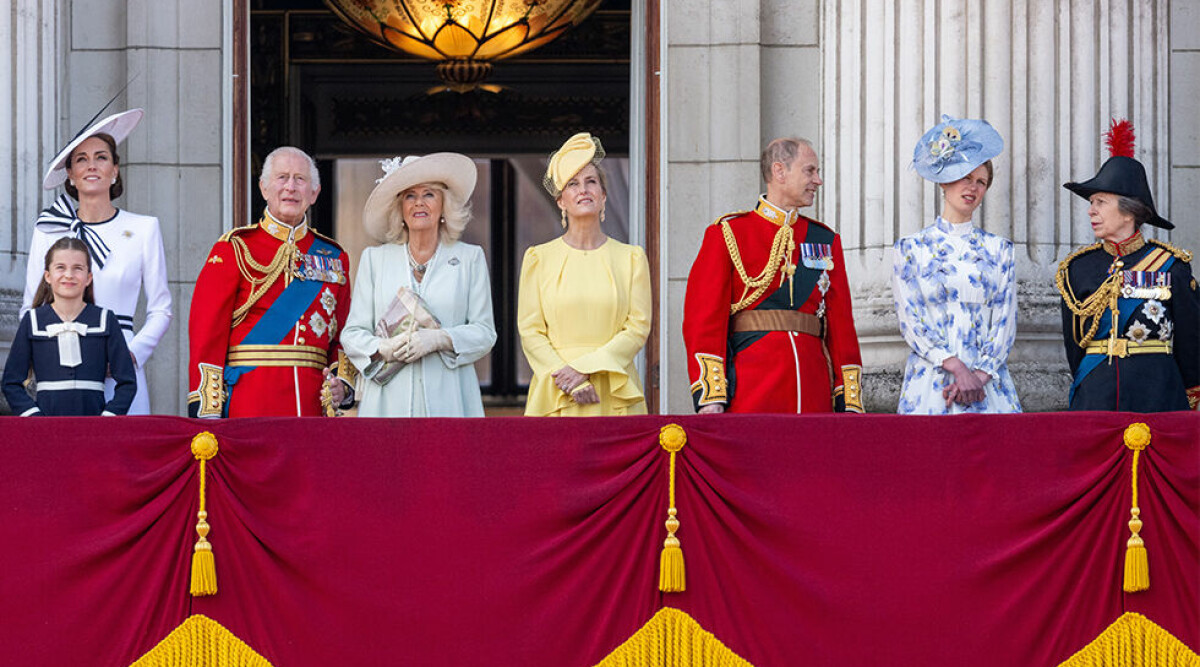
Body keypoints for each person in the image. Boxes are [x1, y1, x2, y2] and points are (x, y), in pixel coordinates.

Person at [683, 138, 863, 413]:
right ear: (779, 171)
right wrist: (712, 396)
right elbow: (704, 320)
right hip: (751, 390)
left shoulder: (824, 239)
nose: (818, 180)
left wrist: (848, 400)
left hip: (813, 390)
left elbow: (841, 327)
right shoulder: (729, 233)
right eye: (810, 171)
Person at [187, 146, 356, 417]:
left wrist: (342, 385)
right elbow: (207, 334)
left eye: (300, 179)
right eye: (282, 178)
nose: (291, 187)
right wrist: (208, 409)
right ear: (264, 188)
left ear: (314, 192)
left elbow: (345, 334)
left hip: (312, 406)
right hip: (249, 402)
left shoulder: (334, 256)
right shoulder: (235, 248)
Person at [23, 108, 171, 415]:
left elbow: (161, 309)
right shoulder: (49, 230)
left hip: (121, 365)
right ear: (71, 176)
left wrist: (129, 356)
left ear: (115, 169)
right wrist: (50, 357)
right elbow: (30, 308)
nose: (92, 166)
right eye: (81, 159)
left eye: (101, 157)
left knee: (124, 456)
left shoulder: (145, 228)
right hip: (62, 365)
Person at [1057, 120, 1199, 412]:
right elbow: (1075, 348)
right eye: (1092, 202)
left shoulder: (1171, 268)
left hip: (1158, 396)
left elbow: (1192, 342)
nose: (1091, 210)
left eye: (1100, 202)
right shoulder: (1077, 269)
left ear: (1129, 211)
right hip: (1096, 397)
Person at [341, 154, 496, 417]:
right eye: (409, 196)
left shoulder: (471, 258)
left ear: (444, 205)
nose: (419, 203)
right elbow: (352, 334)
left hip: (451, 402)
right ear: (399, 208)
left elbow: (485, 333)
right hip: (387, 404)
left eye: (429, 194)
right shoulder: (375, 259)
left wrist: (439, 339)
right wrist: (384, 348)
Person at [892, 116, 1022, 414]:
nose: (972, 188)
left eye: (981, 182)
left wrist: (979, 375)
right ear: (945, 180)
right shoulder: (911, 248)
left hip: (987, 385)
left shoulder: (1000, 249)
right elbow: (910, 319)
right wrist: (955, 367)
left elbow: (1005, 319)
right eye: (966, 177)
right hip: (931, 382)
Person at [517, 132, 652, 416]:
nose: (583, 190)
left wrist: (584, 369)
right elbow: (531, 332)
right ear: (560, 201)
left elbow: (638, 328)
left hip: (613, 387)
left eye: (591, 182)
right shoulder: (538, 259)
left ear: (603, 196)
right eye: (573, 184)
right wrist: (566, 377)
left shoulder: (631, 258)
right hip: (557, 390)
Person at [4, 238, 136, 416]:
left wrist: (107, 418)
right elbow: (11, 383)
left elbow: (127, 382)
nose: (69, 275)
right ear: (48, 276)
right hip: (46, 428)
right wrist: (34, 418)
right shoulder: (33, 320)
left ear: (88, 278)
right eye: (60, 267)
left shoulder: (105, 319)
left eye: (78, 268)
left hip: (95, 428)